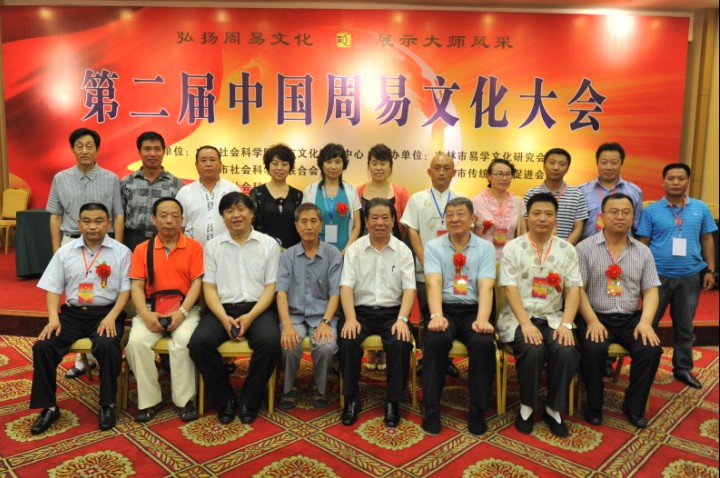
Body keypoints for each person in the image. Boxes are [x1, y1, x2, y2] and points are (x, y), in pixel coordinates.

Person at [29, 203, 131, 434]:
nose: (92, 226)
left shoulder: (122, 252)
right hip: (72, 314)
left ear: (108, 223)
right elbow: (53, 288)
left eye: (98, 221)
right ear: (78, 223)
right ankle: (48, 407)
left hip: (106, 313)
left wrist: (112, 316)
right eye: (87, 221)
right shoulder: (64, 252)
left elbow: (127, 290)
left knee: (107, 345)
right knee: (43, 346)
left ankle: (107, 404)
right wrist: (53, 318)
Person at [188, 192, 281, 425]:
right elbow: (209, 288)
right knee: (198, 344)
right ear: (223, 217)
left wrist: (250, 316)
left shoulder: (268, 244)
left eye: (240, 209)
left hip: (258, 309)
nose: (235, 215)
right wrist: (223, 317)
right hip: (223, 309)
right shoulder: (212, 246)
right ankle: (224, 399)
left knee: (270, 342)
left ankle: (250, 399)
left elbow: (271, 287)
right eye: (229, 211)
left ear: (251, 213)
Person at [498, 192, 582, 437]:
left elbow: (573, 288)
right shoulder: (513, 247)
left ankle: (553, 409)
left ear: (556, 219)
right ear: (527, 218)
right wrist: (525, 324)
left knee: (566, 350)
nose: (542, 219)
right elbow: (509, 288)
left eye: (548, 214)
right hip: (518, 318)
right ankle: (527, 406)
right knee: (532, 348)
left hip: (554, 317)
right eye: (536, 213)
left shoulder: (567, 249)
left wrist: (567, 324)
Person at [577, 193, 662, 429]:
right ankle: (594, 405)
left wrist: (645, 322)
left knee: (650, 350)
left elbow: (651, 291)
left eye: (626, 212)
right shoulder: (584, 248)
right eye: (614, 212)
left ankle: (633, 406)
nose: (620, 217)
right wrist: (591, 320)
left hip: (629, 318)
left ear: (633, 217)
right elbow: (577, 290)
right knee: (593, 349)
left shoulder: (643, 251)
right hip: (595, 315)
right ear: (602, 217)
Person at [47, 127, 125, 379]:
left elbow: (118, 215)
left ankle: (101, 356)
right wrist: (56, 250)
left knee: (100, 296)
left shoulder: (111, 179)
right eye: (79, 145)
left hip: (104, 245)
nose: (84, 150)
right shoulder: (60, 178)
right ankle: (84, 360)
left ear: (98, 149)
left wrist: (117, 247)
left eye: (89, 145)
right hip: (71, 244)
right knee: (77, 301)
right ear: (72, 149)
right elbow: (55, 215)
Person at [637, 163, 717, 389]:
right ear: (663, 181)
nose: (675, 182)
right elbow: (643, 242)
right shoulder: (651, 211)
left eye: (680, 178)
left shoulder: (701, 208)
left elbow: (707, 239)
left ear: (687, 182)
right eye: (671, 178)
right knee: (649, 323)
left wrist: (710, 270)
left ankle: (683, 368)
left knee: (684, 327)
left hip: (690, 277)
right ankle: (644, 366)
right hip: (656, 278)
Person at [421, 197, 496, 436]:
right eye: (450, 215)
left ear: (472, 218)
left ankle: (477, 408)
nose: (454, 219)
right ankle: (431, 407)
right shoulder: (433, 246)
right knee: (436, 338)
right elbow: (433, 283)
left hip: (473, 309)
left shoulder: (485, 248)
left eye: (460, 214)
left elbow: (486, 286)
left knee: (483, 342)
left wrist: (482, 319)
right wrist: (436, 315)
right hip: (442, 307)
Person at [339, 198, 416, 428]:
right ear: (366, 221)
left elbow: (409, 289)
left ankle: (393, 401)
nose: (379, 223)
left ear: (393, 221)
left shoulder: (403, 251)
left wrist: (402, 319)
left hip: (392, 313)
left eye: (385, 218)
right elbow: (346, 286)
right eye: (374, 218)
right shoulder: (355, 249)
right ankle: (351, 398)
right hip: (360, 312)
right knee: (347, 339)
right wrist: (350, 318)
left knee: (401, 341)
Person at [125, 197, 203, 422]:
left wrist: (182, 312)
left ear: (182, 219)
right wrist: (145, 314)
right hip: (152, 309)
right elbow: (136, 286)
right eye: (163, 216)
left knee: (185, 341)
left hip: (186, 309)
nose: (169, 220)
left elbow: (197, 283)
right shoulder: (142, 249)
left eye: (175, 216)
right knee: (136, 343)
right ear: (153, 219)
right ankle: (150, 400)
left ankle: (184, 401)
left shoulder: (194, 247)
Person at [400, 153, 462, 378]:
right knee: (428, 314)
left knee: (450, 312)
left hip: (455, 270)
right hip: (425, 269)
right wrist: (424, 259)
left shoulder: (461, 200)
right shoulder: (417, 199)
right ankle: (427, 358)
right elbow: (412, 230)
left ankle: (447, 359)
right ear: (429, 171)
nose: (442, 172)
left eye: (446, 168)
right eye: (437, 168)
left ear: (454, 172)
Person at [276, 203, 342, 409]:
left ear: (321, 224)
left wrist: (326, 322)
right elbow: (281, 292)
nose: (309, 226)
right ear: (296, 226)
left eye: (314, 221)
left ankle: (319, 386)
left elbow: (335, 293)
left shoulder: (333, 254)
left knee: (326, 346)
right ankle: (289, 386)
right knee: (289, 343)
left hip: (323, 315)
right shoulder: (287, 256)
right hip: (294, 316)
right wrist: (287, 325)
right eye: (304, 222)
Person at [357, 143, 410, 371]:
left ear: (390, 167)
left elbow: (404, 226)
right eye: (374, 163)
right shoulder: (358, 191)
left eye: (383, 163)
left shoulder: (401, 192)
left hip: (392, 251)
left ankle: (386, 352)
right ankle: (372, 352)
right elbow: (355, 224)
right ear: (368, 166)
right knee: (368, 294)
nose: (379, 168)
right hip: (364, 252)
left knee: (388, 294)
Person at [120, 131, 185, 252]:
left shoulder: (176, 184)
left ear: (163, 152)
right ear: (139, 152)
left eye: (157, 149)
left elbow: (181, 219)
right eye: (147, 149)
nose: (152, 154)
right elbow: (120, 216)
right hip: (132, 240)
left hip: (165, 239)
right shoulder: (127, 182)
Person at [175, 145, 240, 246]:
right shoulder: (184, 192)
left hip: (228, 250)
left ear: (220, 164)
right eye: (203, 160)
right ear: (196, 165)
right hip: (194, 252)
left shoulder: (232, 190)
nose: (208, 164)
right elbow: (179, 227)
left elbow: (241, 223)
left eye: (212, 160)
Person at [302, 143, 361, 254]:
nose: (333, 167)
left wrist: (347, 250)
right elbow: (304, 223)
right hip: (316, 253)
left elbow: (356, 225)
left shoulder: (351, 190)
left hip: (344, 253)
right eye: (329, 162)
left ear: (344, 165)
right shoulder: (310, 190)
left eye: (338, 162)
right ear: (321, 164)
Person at [578, 142, 643, 241]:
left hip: (623, 247)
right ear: (597, 163)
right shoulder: (581, 191)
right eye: (604, 162)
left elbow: (637, 228)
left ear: (621, 163)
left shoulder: (634, 192)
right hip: (588, 247)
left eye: (614, 163)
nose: (609, 167)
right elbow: (575, 226)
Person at [524, 148, 588, 245]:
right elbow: (525, 225)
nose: (556, 167)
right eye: (552, 163)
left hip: (565, 250)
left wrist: (564, 249)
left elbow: (578, 228)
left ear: (567, 169)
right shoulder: (531, 193)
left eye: (562, 164)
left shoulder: (576, 195)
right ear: (544, 165)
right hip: (535, 248)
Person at [249, 144, 304, 249]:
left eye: (284, 164)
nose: (279, 168)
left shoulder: (297, 195)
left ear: (290, 167)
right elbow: (250, 225)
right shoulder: (256, 193)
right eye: (275, 164)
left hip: (292, 251)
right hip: (263, 250)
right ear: (268, 166)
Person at [472, 158, 526, 261]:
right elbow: (469, 233)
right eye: (500, 174)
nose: (504, 178)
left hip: (511, 258)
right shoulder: (475, 201)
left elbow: (523, 234)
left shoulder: (518, 202)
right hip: (482, 258)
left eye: (508, 174)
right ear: (488, 176)